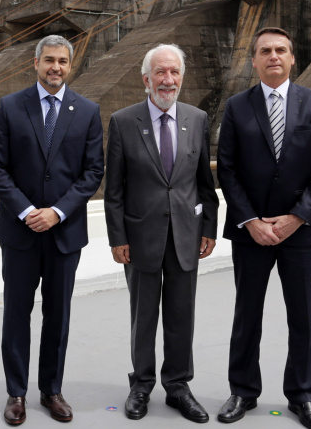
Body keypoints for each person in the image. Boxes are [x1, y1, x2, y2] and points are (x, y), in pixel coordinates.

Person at [215, 27, 311, 429]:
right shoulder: (237, 107)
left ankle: (303, 396)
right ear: (254, 60)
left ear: (292, 57)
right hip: (250, 232)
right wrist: (250, 221)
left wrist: (296, 217)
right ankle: (242, 391)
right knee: (247, 314)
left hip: (300, 232)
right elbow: (227, 170)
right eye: (265, 50)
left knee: (302, 316)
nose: (273, 56)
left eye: (281, 50)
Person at [0, 35, 105, 425]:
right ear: (35, 63)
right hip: (19, 233)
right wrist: (25, 211)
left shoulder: (87, 111)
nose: (56, 67)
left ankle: (52, 390)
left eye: (63, 61)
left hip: (64, 234)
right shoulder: (10, 106)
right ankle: (16, 393)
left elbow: (93, 172)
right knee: (17, 313)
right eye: (49, 60)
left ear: (70, 65)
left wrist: (57, 212)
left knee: (58, 314)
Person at [104, 44, 219, 423]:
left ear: (181, 77)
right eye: (160, 72)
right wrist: (117, 238)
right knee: (143, 317)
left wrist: (209, 227)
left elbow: (204, 182)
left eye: (174, 72)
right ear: (146, 79)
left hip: (187, 235)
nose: (168, 80)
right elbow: (114, 190)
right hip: (140, 238)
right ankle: (141, 385)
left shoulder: (197, 119)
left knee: (182, 315)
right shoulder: (123, 122)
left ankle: (178, 386)